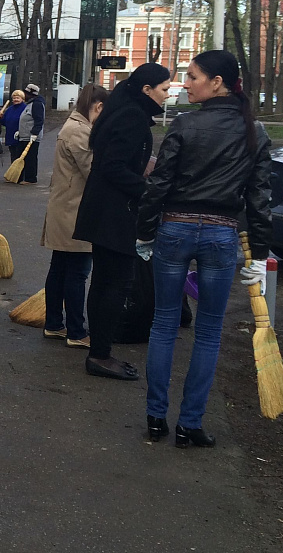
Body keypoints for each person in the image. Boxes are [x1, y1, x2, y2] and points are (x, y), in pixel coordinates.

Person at [137, 50, 272, 447]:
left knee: (164, 324)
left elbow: (160, 183)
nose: (186, 83)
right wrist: (260, 255)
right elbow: (259, 199)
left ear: (217, 82)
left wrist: (145, 232)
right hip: (221, 234)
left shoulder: (185, 124)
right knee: (209, 332)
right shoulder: (253, 131)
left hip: (175, 228)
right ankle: (190, 424)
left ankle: (156, 418)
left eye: (193, 76)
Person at [73, 63, 172, 381]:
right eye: (165, 89)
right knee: (116, 284)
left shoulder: (124, 111)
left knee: (104, 282)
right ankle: (100, 355)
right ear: (147, 90)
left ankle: (99, 352)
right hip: (114, 214)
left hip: (104, 210)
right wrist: (150, 191)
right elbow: (114, 167)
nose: (168, 95)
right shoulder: (132, 116)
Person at [40, 83, 109, 348]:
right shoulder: (80, 131)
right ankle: (76, 331)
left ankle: (54, 324)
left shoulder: (74, 127)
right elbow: (93, 171)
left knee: (60, 269)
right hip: (74, 212)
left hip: (67, 208)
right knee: (77, 272)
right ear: (98, 107)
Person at [13, 82, 46, 184]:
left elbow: (39, 120)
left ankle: (30, 178)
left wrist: (35, 133)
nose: (25, 95)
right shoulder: (30, 104)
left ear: (31, 94)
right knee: (21, 157)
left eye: (26, 93)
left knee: (30, 158)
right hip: (24, 135)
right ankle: (19, 177)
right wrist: (20, 131)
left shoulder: (37, 104)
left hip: (31, 137)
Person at [3, 89, 27, 164]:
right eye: (14, 98)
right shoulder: (9, 109)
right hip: (10, 136)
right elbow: (4, 122)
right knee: (13, 156)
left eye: (17, 98)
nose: (15, 99)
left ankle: (20, 171)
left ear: (22, 99)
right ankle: (13, 170)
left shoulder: (25, 109)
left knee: (20, 157)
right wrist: (1, 117)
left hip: (21, 137)